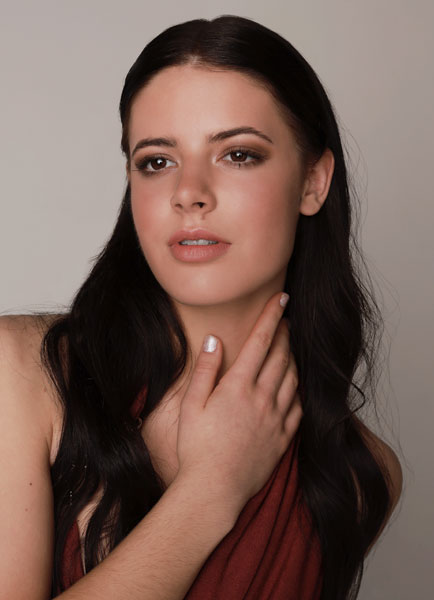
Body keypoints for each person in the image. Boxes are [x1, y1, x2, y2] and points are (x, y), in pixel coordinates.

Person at [0, 14, 402, 600]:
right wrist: (213, 486)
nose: (188, 192)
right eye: (156, 161)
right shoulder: (21, 375)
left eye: (238, 154)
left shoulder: (358, 475)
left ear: (314, 182)